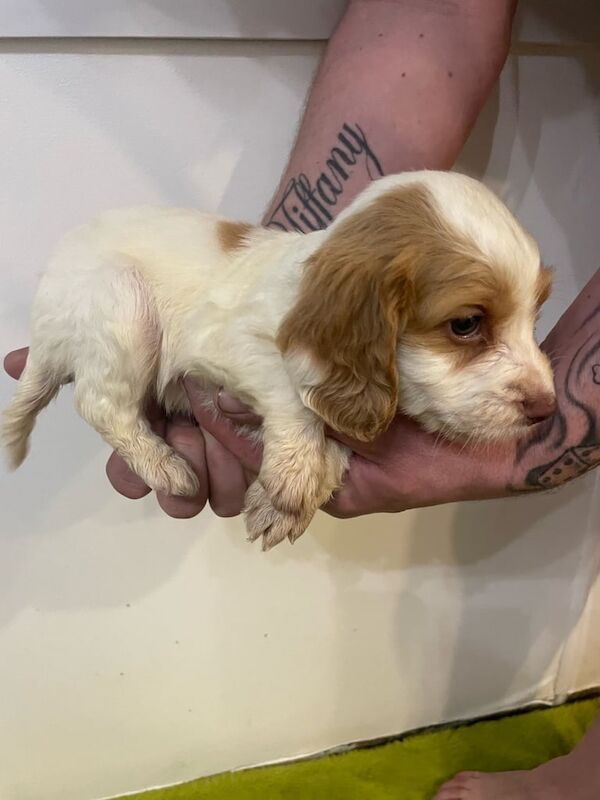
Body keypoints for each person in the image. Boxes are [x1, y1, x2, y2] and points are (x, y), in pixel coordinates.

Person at [4, 1, 599, 797]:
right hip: (127, 283)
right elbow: (440, 9)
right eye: (469, 326)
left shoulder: (346, 321)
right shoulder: (326, 321)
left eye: (526, 320)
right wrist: (300, 427)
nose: (537, 388)